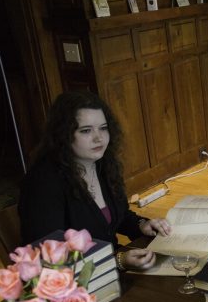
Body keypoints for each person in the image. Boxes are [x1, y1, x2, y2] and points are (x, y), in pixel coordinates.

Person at [19, 91, 170, 270]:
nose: (98, 138)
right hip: (76, 285)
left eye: (103, 128)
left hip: (111, 269)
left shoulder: (102, 165)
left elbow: (116, 217)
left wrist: (142, 225)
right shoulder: (43, 182)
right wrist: (119, 261)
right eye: (86, 130)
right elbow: (51, 258)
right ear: (63, 135)